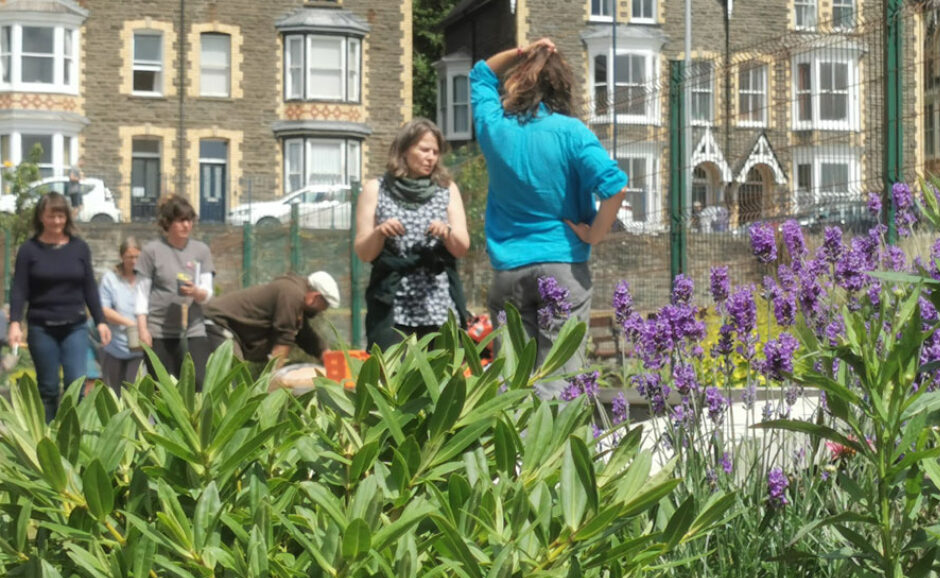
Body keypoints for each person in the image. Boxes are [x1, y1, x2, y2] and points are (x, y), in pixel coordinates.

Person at [470, 38, 627, 396]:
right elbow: (615, 187)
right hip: (562, 265)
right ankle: (560, 452)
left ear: (518, 83)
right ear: (563, 87)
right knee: (562, 381)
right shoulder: (572, 133)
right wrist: (594, 235)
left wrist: (524, 51)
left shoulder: (494, 127)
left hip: (508, 270)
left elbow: (480, 75)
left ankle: (512, 452)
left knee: (511, 382)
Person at [354, 118, 470, 350]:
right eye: (424, 149)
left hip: (438, 302)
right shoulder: (375, 189)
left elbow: (462, 247)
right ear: (404, 149)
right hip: (392, 303)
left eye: (435, 152)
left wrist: (446, 233)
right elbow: (364, 253)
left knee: (443, 380)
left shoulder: (447, 188)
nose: (431, 157)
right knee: (395, 380)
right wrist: (380, 232)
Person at [6, 191, 111, 420]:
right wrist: (15, 322)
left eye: (61, 216)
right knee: (48, 388)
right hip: (41, 327)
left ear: (67, 218)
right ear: (41, 217)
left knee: (77, 383)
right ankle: (48, 439)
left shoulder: (79, 248)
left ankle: (76, 436)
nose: (56, 221)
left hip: (75, 327)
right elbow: (20, 289)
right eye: (51, 216)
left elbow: (89, 287)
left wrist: (101, 320)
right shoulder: (29, 250)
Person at [135, 194, 215, 389]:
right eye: (180, 220)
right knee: (162, 389)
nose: (186, 225)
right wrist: (143, 329)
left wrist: (197, 292)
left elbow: (208, 292)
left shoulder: (201, 250)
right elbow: (141, 294)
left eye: (189, 220)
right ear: (168, 223)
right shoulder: (152, 250)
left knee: (197, 384)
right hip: (159, 331)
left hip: (193, 330)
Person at [205, 271, 338, 368]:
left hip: (226, 328)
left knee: (235, 378)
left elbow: (303, 334)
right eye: (324, 305)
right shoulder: (291, 294)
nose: (323, 311)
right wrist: (273, 383)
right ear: (315, 297)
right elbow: (284, 340)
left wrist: (327, 356)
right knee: (233, 378)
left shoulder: (296, 293)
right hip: (218, 325)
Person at [98, 236, 145, 394]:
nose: (133, 261)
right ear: (122, 257)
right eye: (129, 257)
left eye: (137, 257)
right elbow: (103, 309)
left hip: (140, 348)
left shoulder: (146, 279)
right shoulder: (110, 279)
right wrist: (130, 324)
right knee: (113, 394)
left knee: (136, 395)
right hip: (115, 346)